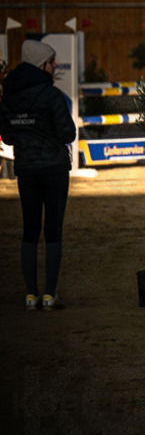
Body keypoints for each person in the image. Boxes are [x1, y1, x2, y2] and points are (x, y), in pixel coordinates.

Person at [0, 40, 77, 310]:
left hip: (26, 170)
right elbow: (69, 134)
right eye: (52, 61)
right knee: (53, 231)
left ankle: (31, 295)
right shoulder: (51, 95)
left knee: (29, 230)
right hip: (54, 170)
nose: (56, 65)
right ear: (40, 64)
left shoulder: (9, 96)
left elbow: (8, 138)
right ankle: (49, 295)